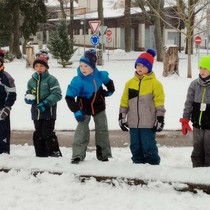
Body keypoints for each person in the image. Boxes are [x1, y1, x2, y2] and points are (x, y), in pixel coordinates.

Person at [65, 49, 115, 164]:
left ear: (93, 66)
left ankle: (103, 154)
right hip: (84, 108)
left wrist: (110, 91)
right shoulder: (78, 80)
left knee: (102, 129)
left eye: (86, 66)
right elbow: (69, 97)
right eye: (81, 66)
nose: (83, 69)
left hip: (99, 107)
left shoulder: (100, 75)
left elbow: (109, 82)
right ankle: (77, 154)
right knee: (82, 130)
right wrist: (76, 111)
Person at [119, 48, 165, 165]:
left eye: (143, 66)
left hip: (148, 123)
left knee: (148, 146)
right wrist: (121, 116)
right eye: (138, 65)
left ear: (149, 67)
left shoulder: (155, 84)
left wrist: (160, 118)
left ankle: (153, 167)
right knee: (135, 146)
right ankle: (137, 167)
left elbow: (159, 102)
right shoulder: (130, 83)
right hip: (133, 122)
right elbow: (124, 101)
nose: (140, 68)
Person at [24, 55, 62, 157]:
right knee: (38, 133)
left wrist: (46, 102)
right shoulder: (31, 81)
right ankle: (41, 155)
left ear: (46, 67)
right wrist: (27, 98)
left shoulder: (51, 79)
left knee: (47, 132)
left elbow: (57, 94)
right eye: (36, 66)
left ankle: (54, 154)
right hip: (36, 112)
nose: (39, 68)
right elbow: (28, 92)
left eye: (41, 66)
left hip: (48, 111)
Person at [180, 55, 210, 167]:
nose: (202, 71)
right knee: (197, 149)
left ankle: (207, 175)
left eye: (205, 68)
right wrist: (185, 119)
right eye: (200, 68)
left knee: (208, 149)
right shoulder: (194, 84)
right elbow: (188, 103)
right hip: (197, 124)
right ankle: (196, 171)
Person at [0, 49, 17, 154]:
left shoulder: (6, 77)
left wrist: (7, 107)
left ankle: (4, 152)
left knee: (3, 133)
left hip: (2, 110)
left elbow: (12, 93)